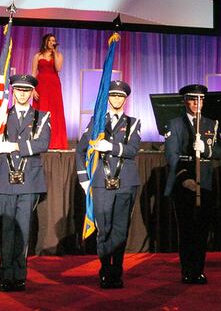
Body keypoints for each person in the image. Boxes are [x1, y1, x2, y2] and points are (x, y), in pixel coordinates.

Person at [0, 74, 51, 292]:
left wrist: (13, 147)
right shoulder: (1, 115)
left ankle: (19, 275)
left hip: (29, 181)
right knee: (7, 231)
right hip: (4, 179)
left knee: (23, 230)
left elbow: (43, 143)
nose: (22, 93)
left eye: (26, 90)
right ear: (12, 91)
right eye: (18, 90)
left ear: (32, 92)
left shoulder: (41, 116)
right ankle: (5, 274)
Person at [76, 80, 141, 289]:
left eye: (120, 96)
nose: (116, 99)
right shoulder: (96, 123)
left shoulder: (133, 123)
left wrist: (110, 146)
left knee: (120, 231)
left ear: (125, 99)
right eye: (113, 95)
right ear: (108, 98)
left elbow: (132, 150)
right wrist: (84, 180)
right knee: (104, 229)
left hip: (125, 183)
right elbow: (80, 151)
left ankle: (117, 271)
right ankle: (105, 270)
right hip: (101, 183)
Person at [164, 84, 221, 284]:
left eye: (200, 100)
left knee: (202, 230)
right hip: (184, 183)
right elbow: (171, 155)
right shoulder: (175, 124)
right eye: (192, 100)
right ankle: (187, 270)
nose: (197, 103)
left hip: (205, 183)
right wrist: (184, 179)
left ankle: (199, 269)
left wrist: (205, 150)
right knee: (187, 230)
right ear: (185, 101)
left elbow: (220, 151)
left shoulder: (211, 124)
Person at [31, 33, 68, 149]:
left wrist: (55, 52)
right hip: (41, 86)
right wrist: (32, 89)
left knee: (55, 113)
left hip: (54, 87)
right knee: (41, 111)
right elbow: (33, 73)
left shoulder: (58, 55)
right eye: (50, 40)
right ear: (45, 42)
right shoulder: (37, 56)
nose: (52, 42)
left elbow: (58, 68)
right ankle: (39, 141)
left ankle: (56, 142)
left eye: (54, 41)